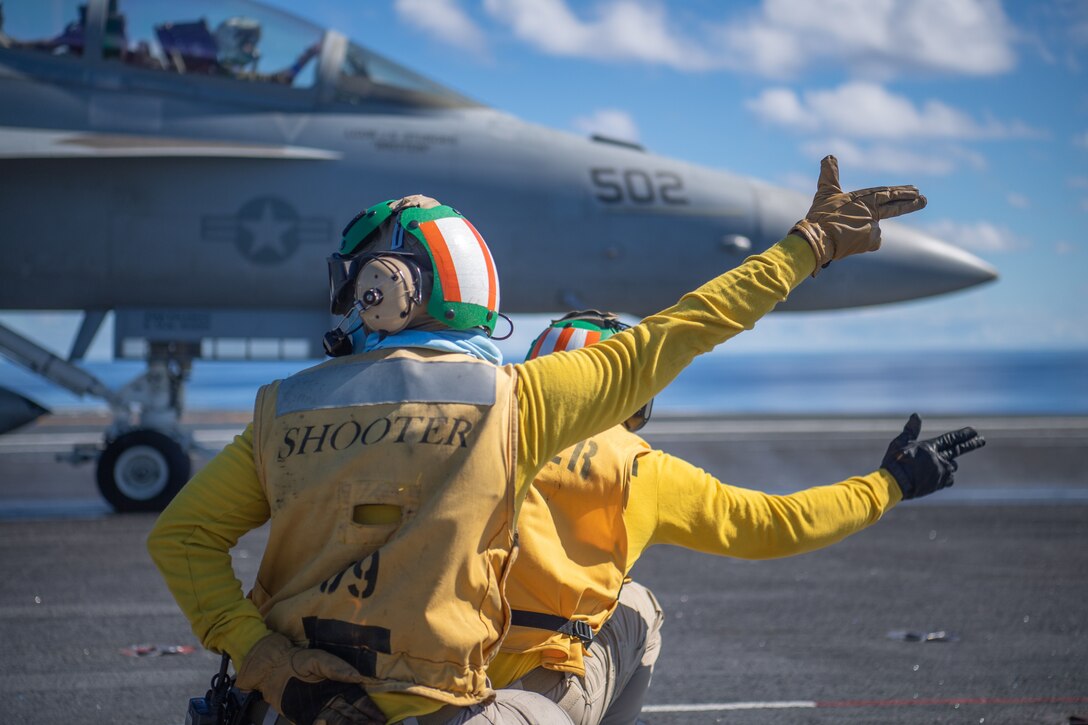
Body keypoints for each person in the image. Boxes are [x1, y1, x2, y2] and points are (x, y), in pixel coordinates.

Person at [147, 155, 928, 725]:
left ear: (383, 287)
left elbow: (181, 538)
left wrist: (274, 664)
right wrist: (810, 245)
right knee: (637, 609)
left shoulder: (281, 409)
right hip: (443, 714)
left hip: (294, 710)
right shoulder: (519, 406)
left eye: (356, 280)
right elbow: (685, 329)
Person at [485, 311, 985, 725]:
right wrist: (891, 483)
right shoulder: (643, 471)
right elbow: (779, 524)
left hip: (447, 677)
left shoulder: (482, 438)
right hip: (541, 698)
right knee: (638, 603)